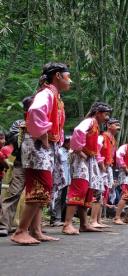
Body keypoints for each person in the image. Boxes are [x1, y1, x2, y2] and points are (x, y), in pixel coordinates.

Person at [11, 62, 70, 245]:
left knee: (41, 188)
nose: (70, 81)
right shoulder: (46, 93)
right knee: (41, 186)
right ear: (58, 76)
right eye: (68, 76)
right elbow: (36, 111)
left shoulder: (54, 95)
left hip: (44, 146)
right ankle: (20, 231)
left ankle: (36, 230)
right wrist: (44, 135)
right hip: (38, 145)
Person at [62, 102, 112, 235]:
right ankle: (67, 224)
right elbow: (78, 131)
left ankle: (84, 224)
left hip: (89, 159)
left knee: (88, 190)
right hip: (81, 158)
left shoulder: (95, 125)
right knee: (79, 187)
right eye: (105, 114)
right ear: (97, 113)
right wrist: (78, 150)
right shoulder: (89, 121)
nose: (106, 117)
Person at [0, 96, 33, 237]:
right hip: (21, 163)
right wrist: (25, 130)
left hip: (37, 165)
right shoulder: (19, 123)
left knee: (37, 196)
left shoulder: (44, 122)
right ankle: (4, 225)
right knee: (13, 194)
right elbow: (12, 138)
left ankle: (32, 227)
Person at [89, 117, 121, 228]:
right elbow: (95, 150)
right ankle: (93, 220)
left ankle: (99, 219)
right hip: (99, 166)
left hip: (107, 167)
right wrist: (101, 164)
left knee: (104, 193)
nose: (118, 126)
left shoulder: (112, 139)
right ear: (108, 125)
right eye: (115, 124)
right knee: (97, 193)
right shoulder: (102, 137)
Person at [49, 136, 71, 227]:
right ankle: (54, 218)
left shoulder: (69, 153)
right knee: (56, 198)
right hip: (59, 179)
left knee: (63, 199)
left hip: (66, 179)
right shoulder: (59, 151)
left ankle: (60, 217)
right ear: (66, 143)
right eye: (70, 142)